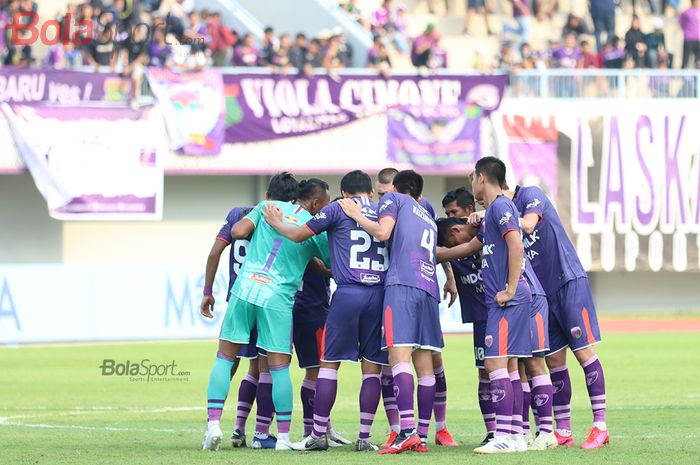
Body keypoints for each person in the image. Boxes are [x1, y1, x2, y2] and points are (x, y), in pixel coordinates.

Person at [200, 173, 331, 452]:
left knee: (225, 357)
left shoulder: (265, 207)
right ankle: (282, 437)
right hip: (278, 297)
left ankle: (213, 426)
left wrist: (262, 218)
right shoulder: (314, 226)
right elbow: (331, 263)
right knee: (278, 367)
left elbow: (237, 232)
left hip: (245, 288)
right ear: (316, 203)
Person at [263, 170, 389, 452]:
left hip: (348, 292)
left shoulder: (337, 208)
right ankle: (365, 438)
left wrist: (275, 222)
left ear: (344, 194)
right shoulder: (383, 210)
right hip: (379, 294)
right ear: (369, 192)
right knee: (372, 369)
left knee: (329, 365)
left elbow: (297, 235)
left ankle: (318, 434)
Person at [338, 170, 445, 454]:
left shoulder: (394, 199)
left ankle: (406, 431)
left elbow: (383, 232)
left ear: (395, 189)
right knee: (425, 367)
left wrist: (355, 213)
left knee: (398, 358)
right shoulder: (426, 214)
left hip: (403, 285)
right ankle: (421, 435)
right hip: (429, 288)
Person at [199, 205, 274, 449]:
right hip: (266, 299)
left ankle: (214, 422)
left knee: (226, 361)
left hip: (238, 298)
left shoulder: (237, 215)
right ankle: (255, 432)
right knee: (262, 368)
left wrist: (208, 291)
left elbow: (214, 253)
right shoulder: (278, 217)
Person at [679, 0, 700, 68]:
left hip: (698, 39)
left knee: (698, 61)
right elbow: (681, 22)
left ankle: (697, 77)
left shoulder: (699, 11)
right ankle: (682, 76)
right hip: (689, 38)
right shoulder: (686, 12)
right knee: (686, 59)